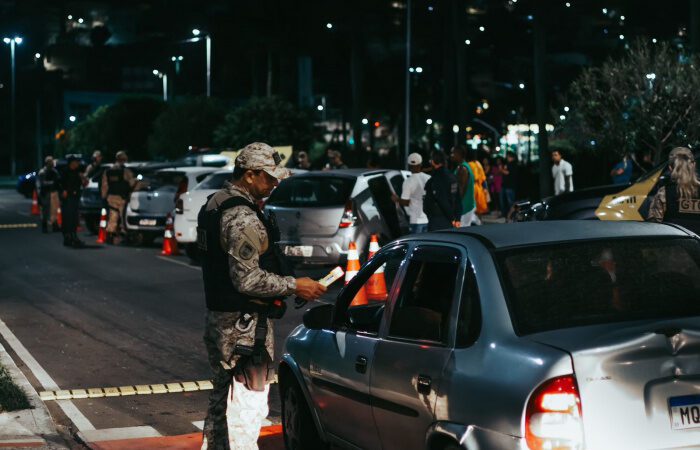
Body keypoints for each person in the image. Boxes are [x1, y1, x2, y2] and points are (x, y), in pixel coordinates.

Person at [198, 142, 326, 449]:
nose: (274, 184)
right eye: (269, 177)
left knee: (221, 401)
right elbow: (248, 279)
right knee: (247, 403)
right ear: (250, 175)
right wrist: (295, 285)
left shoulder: (215, 203)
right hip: (243, 328)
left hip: (221, 319)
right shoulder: (242, 217)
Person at [647, 147, 700, 235]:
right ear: (694, 165)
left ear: (670, 168)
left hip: (673, 247)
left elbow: (653, 226)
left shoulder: (664, 192)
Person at [101, 151, 136, 244]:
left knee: (113, 216)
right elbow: (132, 183)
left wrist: (104, 197)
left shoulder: (108, 171)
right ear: (124, 159)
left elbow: (104, 186)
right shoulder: (126, 171)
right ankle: (123, 236)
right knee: (122, 217)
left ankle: (109, 235)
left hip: (111, 197)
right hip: (122, 198)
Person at [391, 153, 430, 233]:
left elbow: (405, 202)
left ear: (409, 165)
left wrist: (396, 199)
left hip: (415, 221)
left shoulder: (408, 182)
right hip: (428, 219)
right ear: (421, 164)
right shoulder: (428, 178)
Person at [423, 150, 461, 231]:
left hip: (439, 220)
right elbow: (458, 199)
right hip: (450, 219)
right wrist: (457, 218)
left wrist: (452, 218)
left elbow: (442, 200)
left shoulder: (437, 178)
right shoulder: (452, 176)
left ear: (433, 161)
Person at [60, 156, 87, 247]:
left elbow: (84, 184)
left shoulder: (77, 172)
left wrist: (83, 178)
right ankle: (67, 237)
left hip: (75, 197)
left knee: (74, 218)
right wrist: (63, 190)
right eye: (76, 162)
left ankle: (74, 237)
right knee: (68, 218)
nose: (78, 164)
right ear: (72, 163)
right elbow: (60, 183)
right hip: (68, 198)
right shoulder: (65, 172)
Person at [450, 146, 476, 227]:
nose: (451, 155)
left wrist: (454, 207)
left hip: (464, 208)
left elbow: (461, 190)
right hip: (466, 206)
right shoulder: (464, 166)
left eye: (453, 153)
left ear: (459, 154)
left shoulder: (462, 168)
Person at [36, 156, 61, 233]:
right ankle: (44, 227)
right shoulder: (42, 172)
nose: (52, 163)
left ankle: (54, 225)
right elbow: (41, 184)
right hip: (45, 193)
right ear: (47, 163)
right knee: (45, 211)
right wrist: (52, 183)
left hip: (53, 192)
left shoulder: (54, 171)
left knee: (54, 210)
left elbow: (58, 180)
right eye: (50, 162)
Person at [500, 151, 519, 218]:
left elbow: (508, 173)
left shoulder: (512, 164)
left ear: (511, 157)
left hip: (510, 185)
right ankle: (511, 214)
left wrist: (501, 170)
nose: (507, 158)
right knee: (510, 201)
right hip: (509, 185)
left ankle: (512, 215)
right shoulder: (513, 163)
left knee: (511, 202)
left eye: (508, 157)